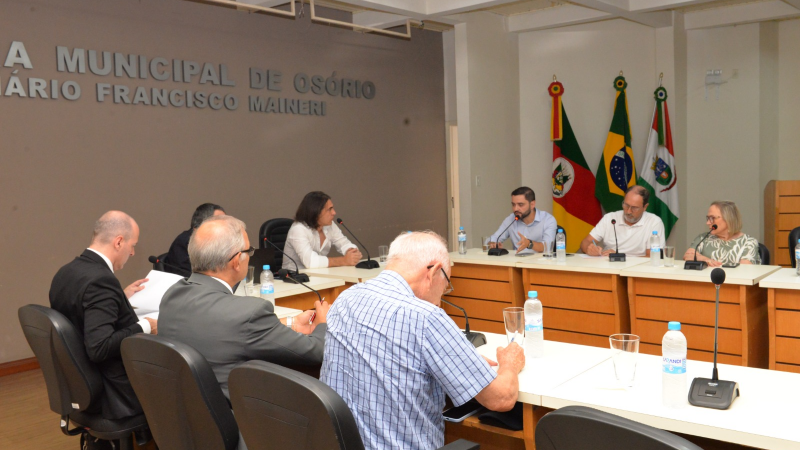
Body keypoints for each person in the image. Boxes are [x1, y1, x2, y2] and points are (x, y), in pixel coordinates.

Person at [320, 231, 525, 450]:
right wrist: (509, 364)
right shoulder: (426, 317)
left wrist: (461, 362)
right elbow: (501, 399)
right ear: (435, 271)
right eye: (446, 283)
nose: (442, 296)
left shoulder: (346, 298)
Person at [159, 215, 328, 398]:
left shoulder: (172, 295)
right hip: (236, 420)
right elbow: (316, 352)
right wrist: (322, 323)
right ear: (236, 261)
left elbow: (222, 328)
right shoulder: (249, 312)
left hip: (182, 415)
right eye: (250, 250)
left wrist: (289, 324)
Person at [49, 211, 156, 420]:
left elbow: (81, 309)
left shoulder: (67, 271)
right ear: (118, 242)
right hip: (114, 391)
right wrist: (146, 326)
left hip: (78, 382)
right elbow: (99, 347)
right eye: (132, 245)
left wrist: (119, 297)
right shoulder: (101, 281)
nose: (133, 252)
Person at [283, 191, 362, 270]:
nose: (334, 212)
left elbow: (343, 243)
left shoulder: (329, 225)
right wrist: (344, 260)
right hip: (295, 278)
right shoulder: (298, 229)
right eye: (329, 209)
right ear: (315, 212)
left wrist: (352, 252)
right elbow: (310, 262)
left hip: (320, 275)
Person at [580, 185, 665, 257]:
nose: (628, 211)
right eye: (626, 205)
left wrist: (619, 256)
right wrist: (589, 249)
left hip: (637, 271)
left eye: (634, 208)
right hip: (608, 269)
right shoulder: (610, 218)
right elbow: (585, 242)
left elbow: (652, 257)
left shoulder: (654, 222)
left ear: (645, 207)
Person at [683, 201, 761, 266]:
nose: (707, 222)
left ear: (728, 219)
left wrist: (715, 265)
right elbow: (687, 256)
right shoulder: (703, 238)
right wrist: (705, 259)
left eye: (712, 218)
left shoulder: (748, 242)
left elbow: (744, 271)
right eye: (708, 218)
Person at [489, 186, 557, 254]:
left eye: (520, 205)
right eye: (513, 205)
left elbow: (547, 247)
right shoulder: (511, 219)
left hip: (540, 262)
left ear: (532, 204)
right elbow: (494, 238)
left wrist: (529, 243)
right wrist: (493, 244)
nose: (515, 209)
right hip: (517, 262)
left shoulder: (548, 220)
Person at [164, 203, 225, 276]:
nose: (226, 226)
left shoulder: (219, 241)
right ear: (204, 222)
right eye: (220, 221)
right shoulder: (183, 242)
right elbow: (184, 276)